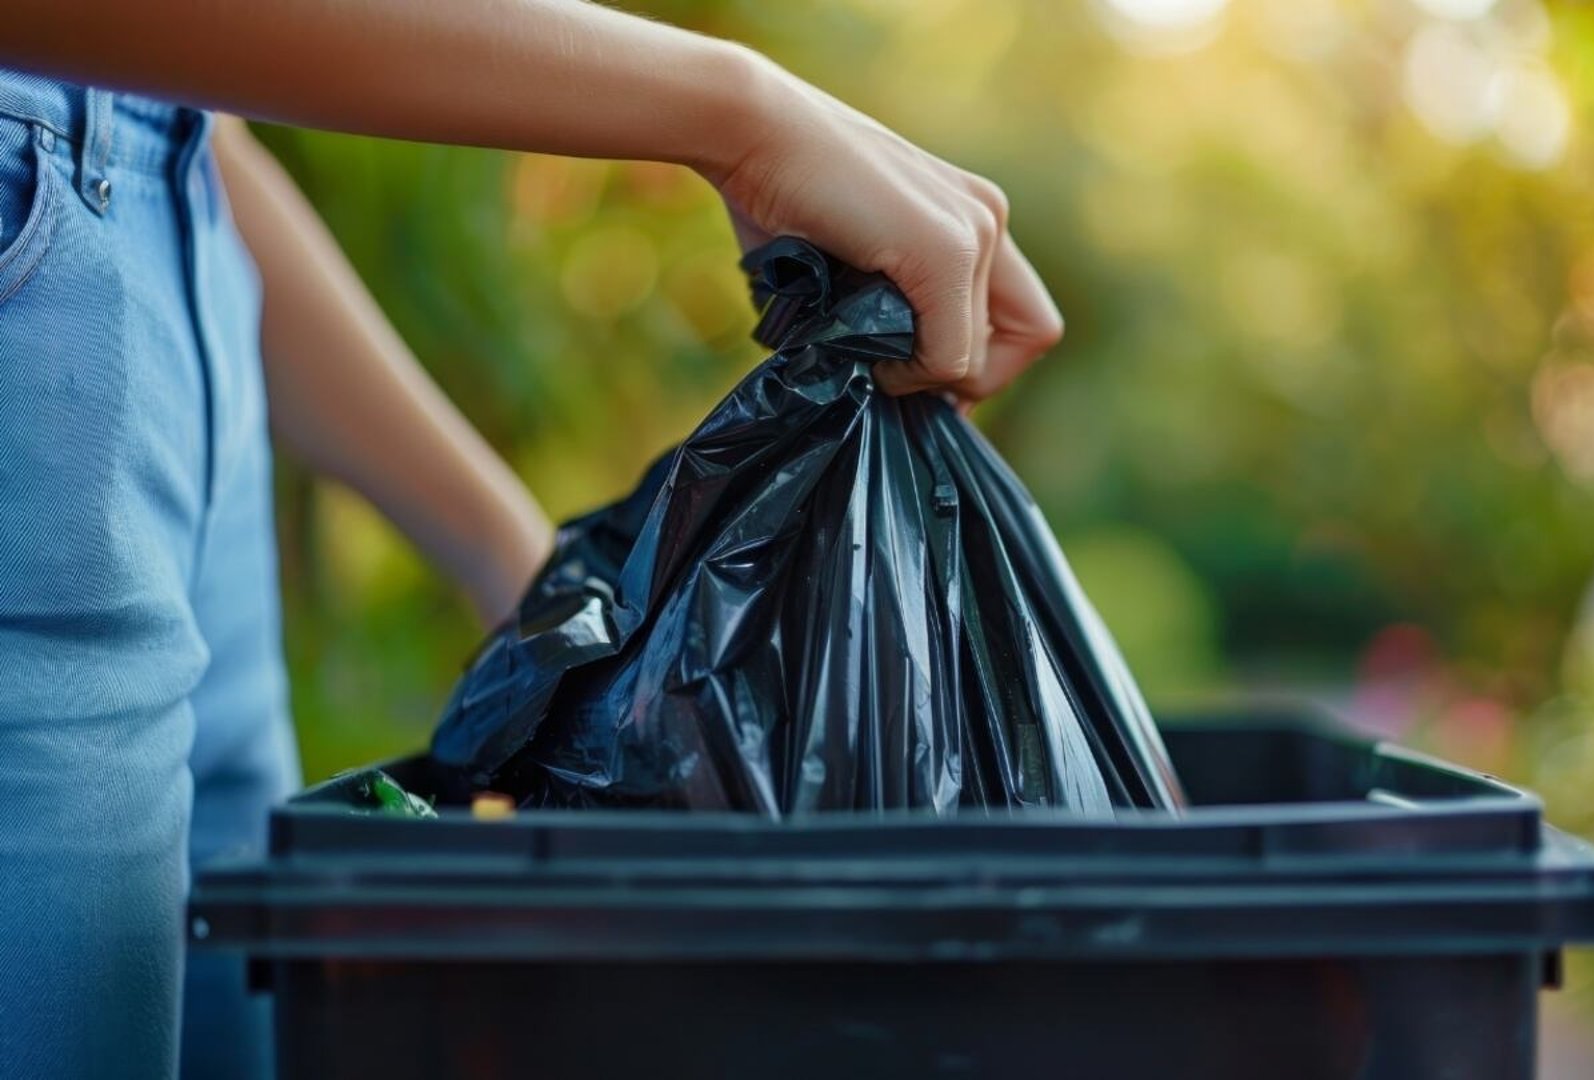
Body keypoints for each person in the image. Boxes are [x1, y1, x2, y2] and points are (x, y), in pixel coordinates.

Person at [0, 3, 1063, 1077]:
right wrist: (740, 114)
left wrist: (510, 561)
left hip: (172, 244)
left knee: (226, 1035)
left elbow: (179, 138)